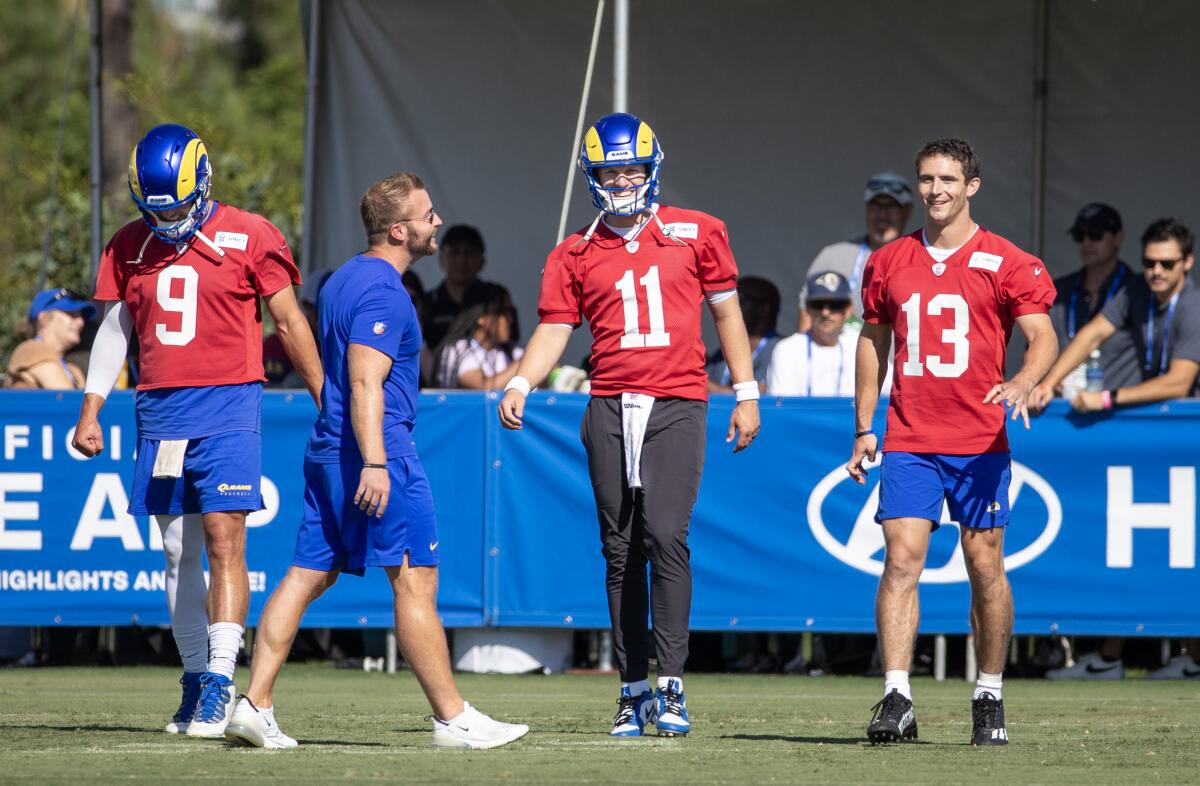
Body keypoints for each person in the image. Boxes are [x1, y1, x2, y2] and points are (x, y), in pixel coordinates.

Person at [224, 172, 528, 750]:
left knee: (308, 572)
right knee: (415, 580)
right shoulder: (385, 291)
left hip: (329, 447)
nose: (437, 221)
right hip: (374, 451)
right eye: (428, 213)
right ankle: (452, 719)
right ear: (398, 229)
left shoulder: (342, 279)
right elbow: (366, 381)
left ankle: (255, 703)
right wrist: (376, 463)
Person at [497, 112, 761, 738]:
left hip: (677, 400)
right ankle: (632, 688)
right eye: (611, 169)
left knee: (666, 536)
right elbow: (555, 330)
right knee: (619, 548)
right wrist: (520, 381)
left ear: (652, 168)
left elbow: (728, 316)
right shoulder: (574, 252)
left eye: (632, 168)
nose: (622, 180)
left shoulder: (698, 232)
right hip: (611, 401)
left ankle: (671, 685)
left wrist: (747, 393)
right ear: (593, 174)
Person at [70, 123, 323, 737]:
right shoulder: (128, 244)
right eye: (157, 208)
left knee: (224, 536)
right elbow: (115, 329)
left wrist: (327, 396)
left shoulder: (250, 232)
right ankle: (192, 678)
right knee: (176, 548)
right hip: (158, 409)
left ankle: (219, 680)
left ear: (203, 185)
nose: (169, 219)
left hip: (229, 402)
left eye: (179, 206)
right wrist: (91, 404)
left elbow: (287, 320)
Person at [845, 138, 1057, 746]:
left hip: (979, 440)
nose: (936, 190)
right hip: (911, 436)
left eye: (947, 179)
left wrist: (1022, 379)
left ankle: (988, 694)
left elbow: (1041, 335)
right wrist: (865, 426)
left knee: (984, 565)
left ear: (972, 186)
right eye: (927, 179)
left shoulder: (1008, 260)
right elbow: (872, 341)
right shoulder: (888, 261)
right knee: (901, 558)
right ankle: (896, 695)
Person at [1032, 217, 1200, 681]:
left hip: (1188, 441)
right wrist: (1050, 381)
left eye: (1167, 264)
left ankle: (1189, 657)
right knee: (1141, 550)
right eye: (1149, 263)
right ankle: (1111, 656)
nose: (1156, 272)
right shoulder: (1136, 293)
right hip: (1159, 440)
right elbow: (1090, 334)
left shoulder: (1194, 306)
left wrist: (1106, 399)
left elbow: (1181, 381)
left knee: (1183, 551)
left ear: (1187, 263)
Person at [799, 172, 914, 332]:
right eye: (876, 206)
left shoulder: (920, 257)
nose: (882, 215)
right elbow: (807, 317)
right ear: (866, 209)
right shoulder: (833, 256)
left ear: (908, 211)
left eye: (891, 207)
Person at [1048, 203, 1138, 396]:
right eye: (1079, 236)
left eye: (1096, 235)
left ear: (1119, 238)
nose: (1087, 243)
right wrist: (1047, 379)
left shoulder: (1138, 291)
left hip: (1118, 410)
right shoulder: (1059, 290)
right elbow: (1035, 345)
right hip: (1062, 406)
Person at [767, 271, 892, 397]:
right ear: (808, 309)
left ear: (848, 310)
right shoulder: (788, 349)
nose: (825, 313)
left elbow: (890, 392)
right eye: (818, 305)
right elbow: (784, 408)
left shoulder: (861, 344)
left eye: (835, 305)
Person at [420, 224, 515, 351]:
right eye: (455, 252)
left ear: (482, 261)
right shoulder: (427, 302)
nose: (462, 260)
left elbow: (510, 342)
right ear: (441, 259)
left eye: (469, 253)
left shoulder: (495, 296)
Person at [433, 288, 524, 389]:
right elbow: (484, 387)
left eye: (511, 312)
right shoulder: (459, 349)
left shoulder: (511, 350)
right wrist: (527, 361)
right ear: (482, 317)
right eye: (502, 312)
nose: (510, 319)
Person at [4, 288, 96, 388]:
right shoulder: (31, 350)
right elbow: (66, 399)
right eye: (71, 314)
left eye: (80, 316)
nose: (81, 322)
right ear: (44, 318)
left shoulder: (73, 370)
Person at [706, 275, 780, 391]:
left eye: (739, 298)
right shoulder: (726, 349)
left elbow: (758, 396)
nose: (730, 304)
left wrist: (703, 384)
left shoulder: (780, 349)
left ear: (764, 309)